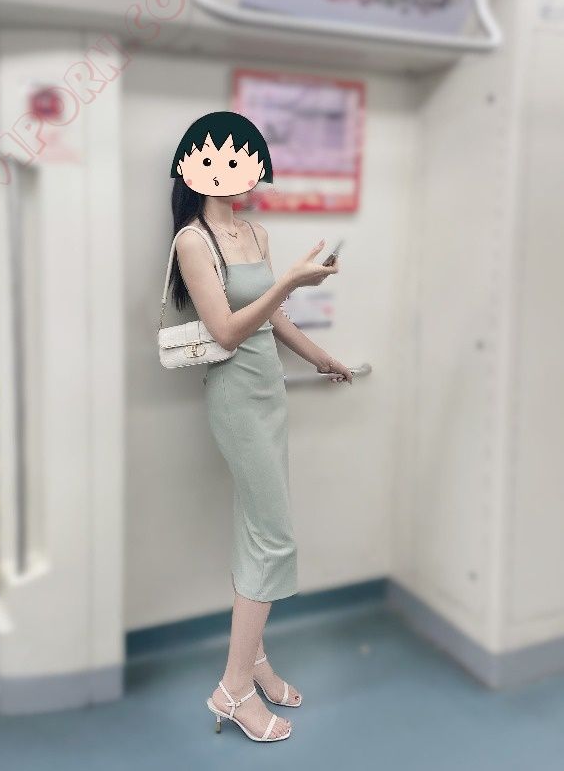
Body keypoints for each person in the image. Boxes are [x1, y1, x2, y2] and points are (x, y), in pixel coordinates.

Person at [167, 111, 353, 742]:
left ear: (254, 169)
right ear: (190, 169)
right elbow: (226, 331)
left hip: (269, 391)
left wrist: (321, 358)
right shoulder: (193, 241)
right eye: (212, 160)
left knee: (257, 533)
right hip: (234, 399)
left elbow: (274, 321)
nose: (226, 171)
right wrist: (291, 281)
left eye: (238, 160)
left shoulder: (256, 232)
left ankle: (255, 662)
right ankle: (232, 688)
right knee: (274, 539)